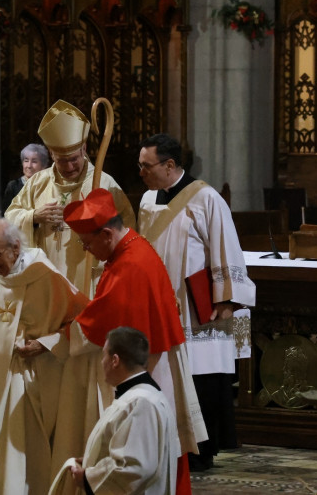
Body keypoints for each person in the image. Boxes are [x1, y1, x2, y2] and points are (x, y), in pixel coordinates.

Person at [54, 188, 204, 495]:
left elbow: (101, 323)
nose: (86, 250)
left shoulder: (129, 266)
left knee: (145, 451)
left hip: (149, 369)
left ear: (107, 234)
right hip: (153, 360)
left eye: (87, 242)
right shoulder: (132, 249)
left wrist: (64, 329)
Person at [136, 133, 255, 471]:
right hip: (158, 302)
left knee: (200, 375)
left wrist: (227, 299)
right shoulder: (146, 200)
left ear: (170, 165)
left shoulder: (206, 198)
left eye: (147, 166)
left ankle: (199, 450)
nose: (141, 172)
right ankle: (165, 445)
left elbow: (225, 246)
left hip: (194, 305)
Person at [0, 219, 88, 495]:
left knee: (26, 444)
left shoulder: (45, 275)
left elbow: (80, 320)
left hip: (36, 375)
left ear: (16, 247)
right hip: (0, 372)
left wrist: (44, 344)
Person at [5, 100, 135, 295]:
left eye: (73, 159)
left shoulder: (104, 183)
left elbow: (127, 230)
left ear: (84, 149)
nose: (68, 167)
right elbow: (9, 218)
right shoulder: (38, 183)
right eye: (61, 160)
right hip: (46, 279)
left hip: (90, 279)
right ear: (51, 154)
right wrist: (33, 217)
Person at [50, 327, 182, 495]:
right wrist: (93, 460)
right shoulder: (141, 397)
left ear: (115, 360)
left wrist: (87, 478)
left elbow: (134, 467)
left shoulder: (140, 403)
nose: (101, 361)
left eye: (103, 355)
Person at [2, 143, 49, 214]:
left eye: (34, 161)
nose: (29, 166)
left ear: (43, 166)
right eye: (26, 161)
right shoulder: (13, 186)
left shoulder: (48, 185)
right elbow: (6, 214)